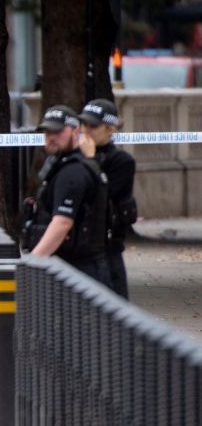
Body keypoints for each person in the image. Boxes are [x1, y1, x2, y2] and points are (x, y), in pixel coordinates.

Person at [24, 105, 111, 286]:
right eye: (47, 132)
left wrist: (32, 262)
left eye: (58, 131)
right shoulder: (66, 164)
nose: (51, 137)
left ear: (75, 131)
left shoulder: (73, 171)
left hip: (78, 270)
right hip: (74, 266)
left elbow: (62, 223)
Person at [78, 99, 136, 299]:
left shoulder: (122, 162)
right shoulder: (76, 156)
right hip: (78, 247)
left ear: (110, 129)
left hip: (107, 249)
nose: (86, 130)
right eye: (83, 124)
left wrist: (91, 160)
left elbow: (101, 194)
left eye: (92, 126)